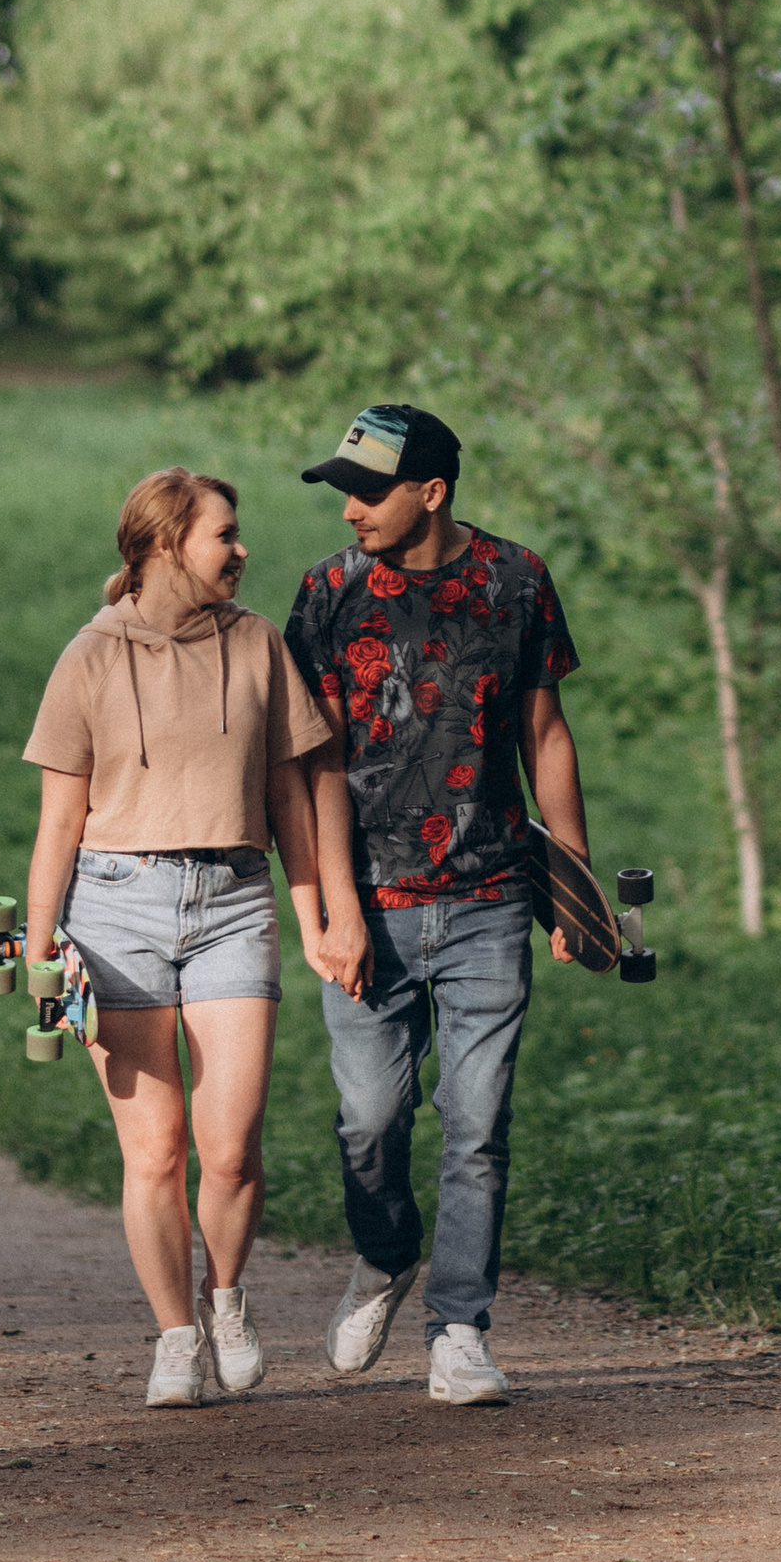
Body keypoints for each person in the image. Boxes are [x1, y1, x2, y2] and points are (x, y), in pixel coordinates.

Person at [21, 465, 368, 1408]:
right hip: (115, 907)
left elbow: (290, 798)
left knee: (231, 1149)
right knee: (156, 1151)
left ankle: (226, 1300)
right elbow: (60, 819)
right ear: (168, 542)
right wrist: (42, 947)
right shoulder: (87, 657)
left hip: (232, 901)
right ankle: (176, 1337)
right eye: (225, 533)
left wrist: (318, 924)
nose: (242, 549)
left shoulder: (256, 645)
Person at [285, 400, 589, 1406]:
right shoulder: (327, 594)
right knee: (371, 1119)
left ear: (432, 492)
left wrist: (574, 886)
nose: (350, 513)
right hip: (365, 901)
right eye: (344, 493)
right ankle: (383, 1255)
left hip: (491, 895)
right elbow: (312, 761)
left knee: (478, 1122)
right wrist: (328, 907)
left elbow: (544, 733)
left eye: (367, 494)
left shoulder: (515, 580)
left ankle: (460, 1328)